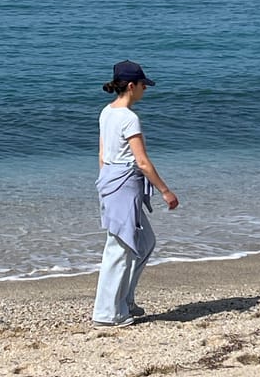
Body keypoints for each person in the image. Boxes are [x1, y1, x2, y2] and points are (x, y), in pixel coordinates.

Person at [92, 60, 179, 327]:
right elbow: (142, 161)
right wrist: (166, 191)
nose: (145, 89)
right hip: (124, 183)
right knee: (120, 248)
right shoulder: (129, 118)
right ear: (131, 86)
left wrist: (106, 186)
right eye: (143, 85)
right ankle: (107, 314)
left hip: (111, 181)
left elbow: (102, 155)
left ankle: (124, 300)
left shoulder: (107, 112)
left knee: (144, 243)